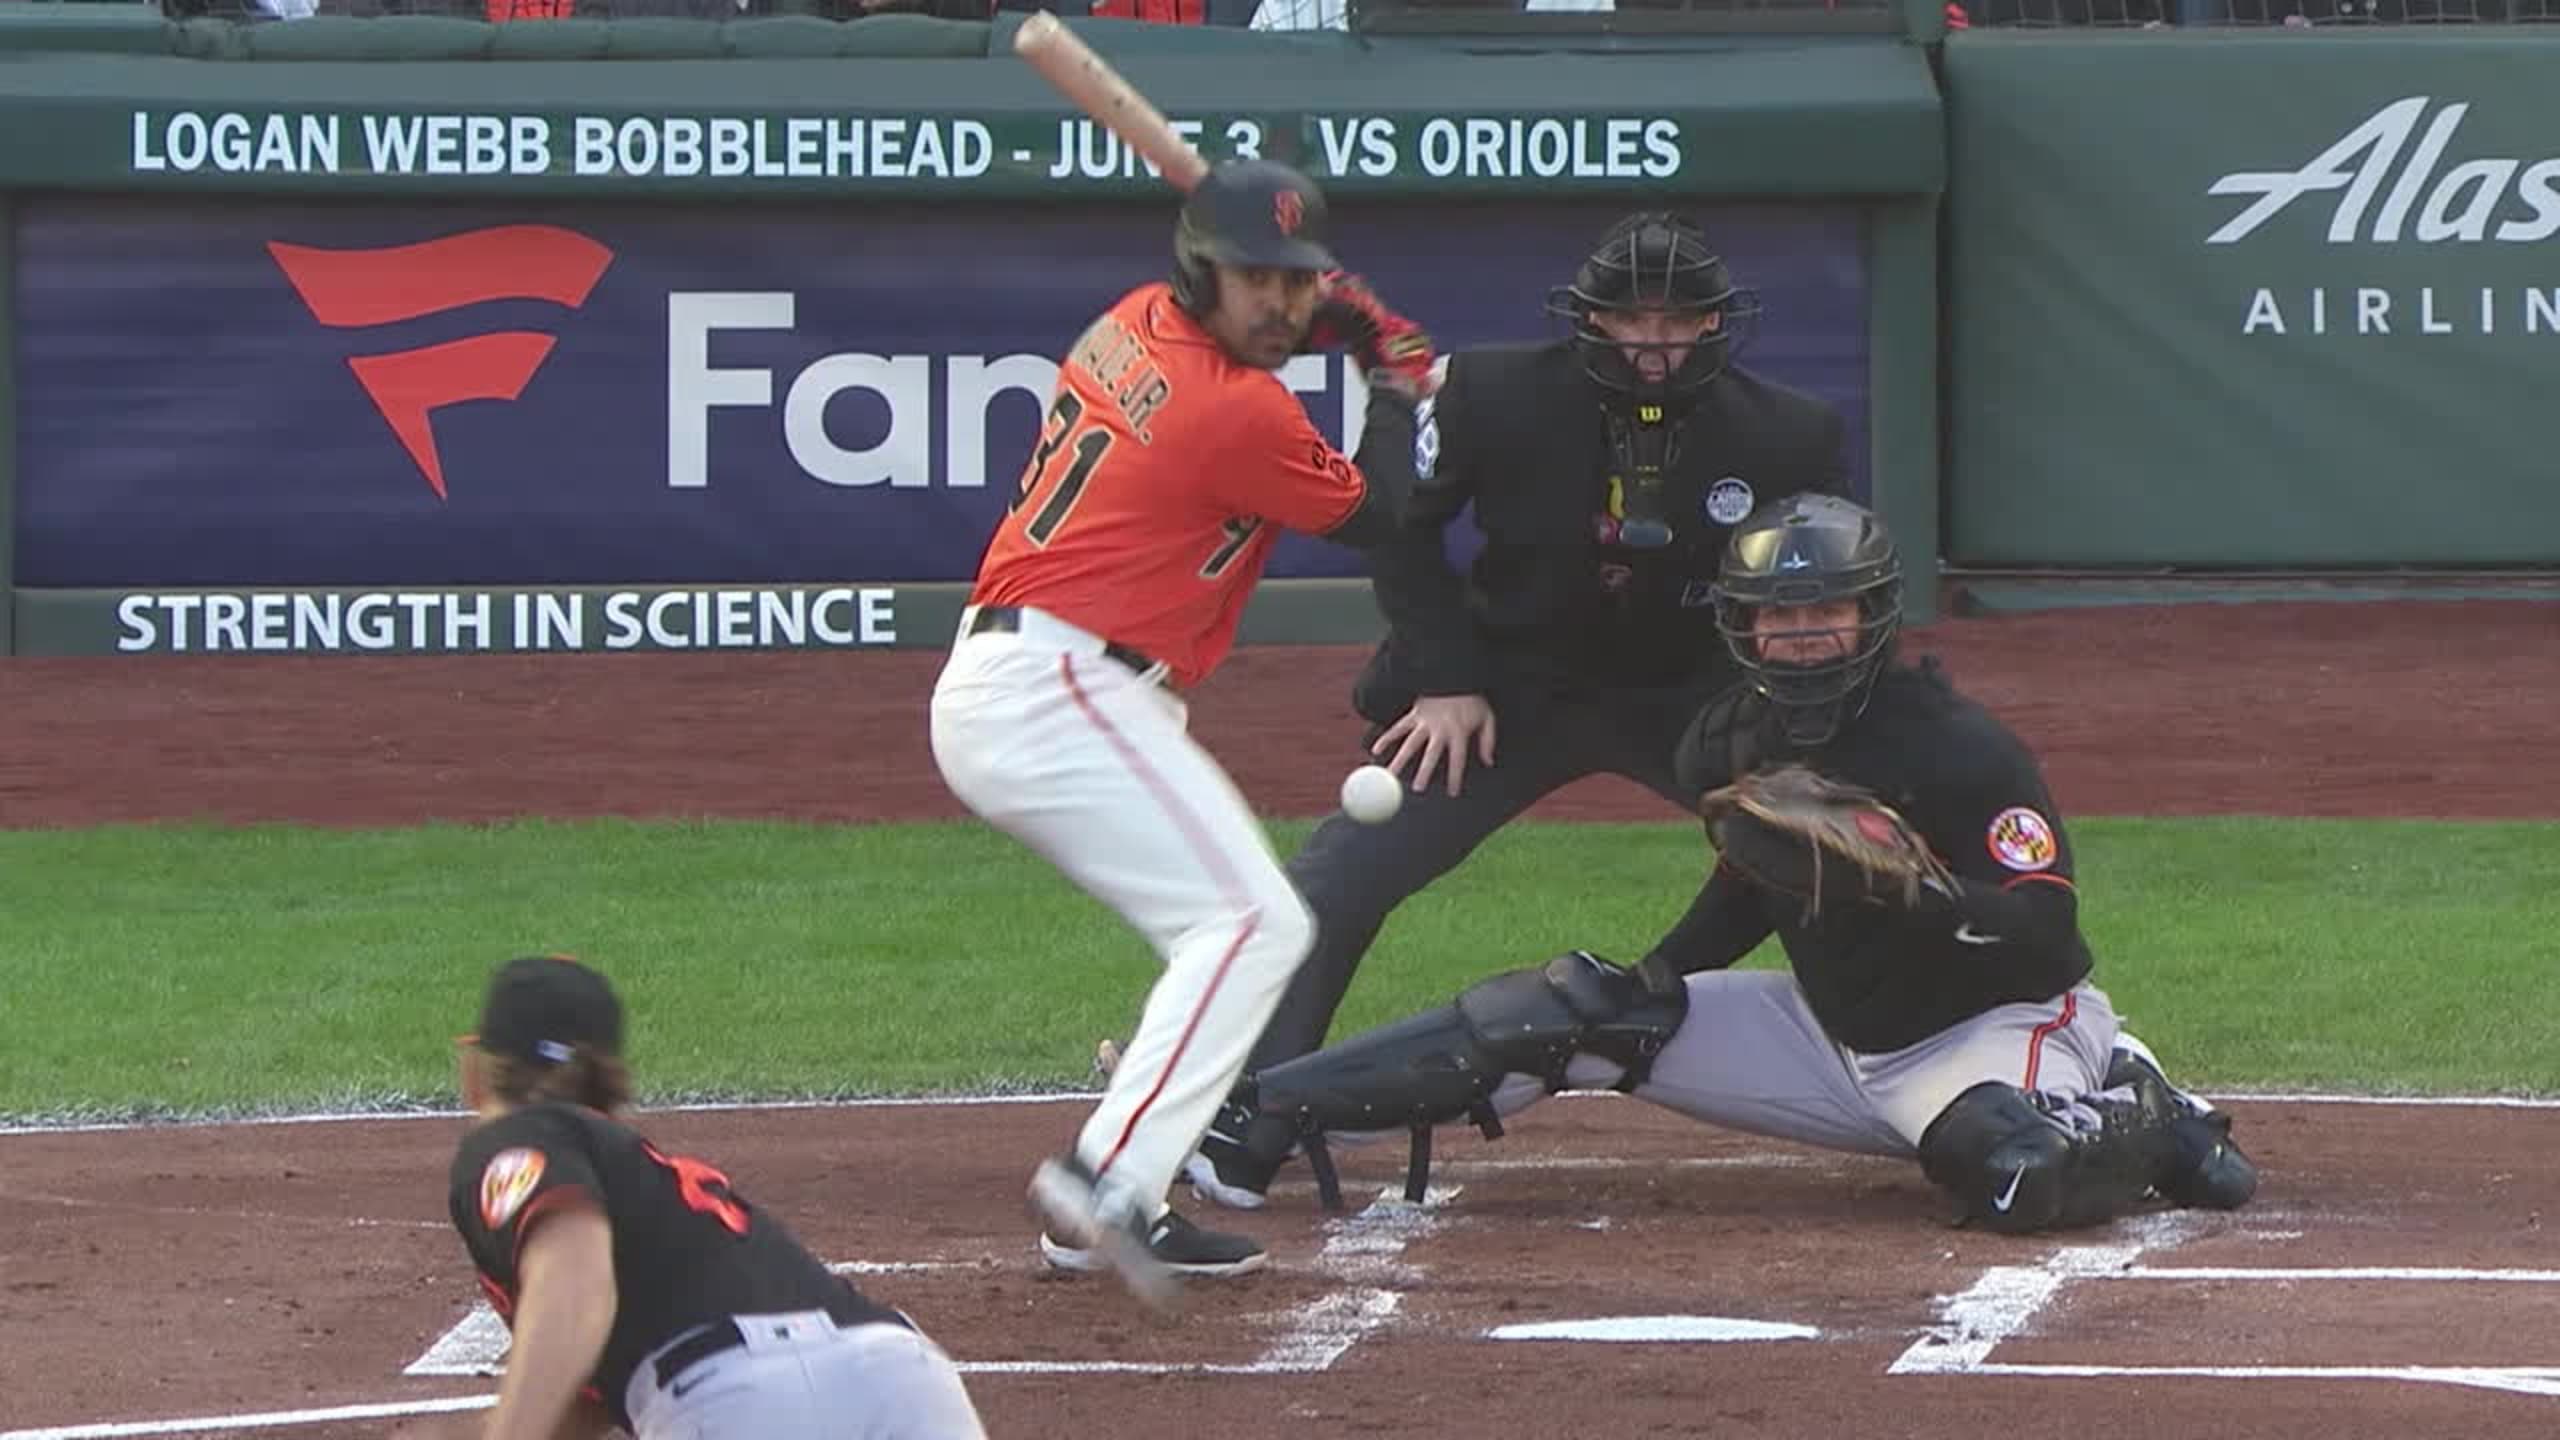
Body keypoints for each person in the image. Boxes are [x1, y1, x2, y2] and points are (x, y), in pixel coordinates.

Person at [1193, 496, 2259, 1235]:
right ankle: (1270, 1104)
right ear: (1744, 627)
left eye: (1823, 613)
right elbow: (1753, 880)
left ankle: (2143, 1106)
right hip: (1833, 1037)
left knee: (2014, 1177)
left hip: (1987, 1031)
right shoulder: (1732, 737)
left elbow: (2047, 935)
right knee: (1570, 1010)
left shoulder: (1956, 748)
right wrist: (1652, 983)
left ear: (1867, 618)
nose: (1800, 635)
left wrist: (1916, 893)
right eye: (1778, 616)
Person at [1184, 209, 1848, 1207]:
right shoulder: (1492, 393)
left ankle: (1913, 1073)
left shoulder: (1794, 432)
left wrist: (1781, 738)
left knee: (1832, 852)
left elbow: (1816, 591)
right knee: (1341, 872)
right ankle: (1245, 1107)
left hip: (1689, 698)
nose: (1654, 344)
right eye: (1632, 321)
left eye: (1678, 321)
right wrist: (1445, 678)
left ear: (1716, 324)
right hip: (1506, 689)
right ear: (1590, 320)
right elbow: (1400, 532)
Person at [928, 157, 1434, 1307]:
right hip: (1056, 686)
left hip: (1047, 678)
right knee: (1252, 924)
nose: (1280, 305)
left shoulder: (1134, 321)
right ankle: (1108, 1181)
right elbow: (1386, 513)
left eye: (1295, 282)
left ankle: (1111, 1194)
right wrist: (1395, 374)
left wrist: (1328, 322)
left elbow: (1253, 342)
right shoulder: (1234, 410)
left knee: (1227, 926)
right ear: (1197, 273)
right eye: (1255, 280)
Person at [431, 955, 988, 1440]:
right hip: (904, 1378)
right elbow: (584, 1389)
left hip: (734, 1399)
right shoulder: (641, 1182)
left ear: (476, 1070)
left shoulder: (514, 1139)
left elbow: (572, 1293)